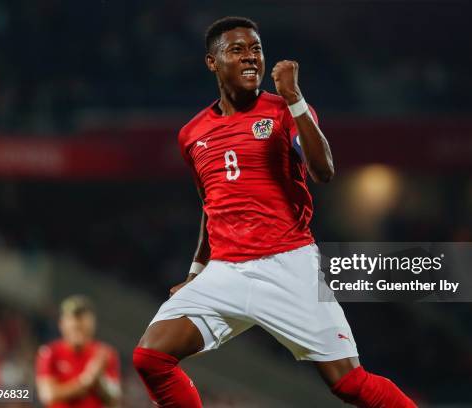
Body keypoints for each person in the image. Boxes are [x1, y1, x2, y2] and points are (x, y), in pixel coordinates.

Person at [133, 16, 416, 407]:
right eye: (237, 50)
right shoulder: (192, 134)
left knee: (350, 383)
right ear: (212, 62)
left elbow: (324, 170)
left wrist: (295, 98)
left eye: (256, 49)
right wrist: (195, 274)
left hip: (286, 264)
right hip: (225, 272)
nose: (251, 58)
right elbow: (210, 204)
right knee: (150, 358)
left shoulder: (284, 109)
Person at [36, 295, 121, 407]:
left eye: (82, 321)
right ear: (61, 324)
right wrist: (87, 380)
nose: (76, 324)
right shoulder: (49, 352)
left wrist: (99, 380)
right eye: (72, 321)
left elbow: (115, 400)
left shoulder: (105, 354)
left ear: (93, 324)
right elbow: (47, 395)